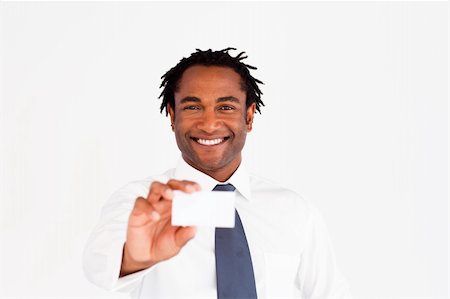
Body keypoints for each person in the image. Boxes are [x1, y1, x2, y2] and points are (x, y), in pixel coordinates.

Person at [83, 48, 350, 298]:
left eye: (225, 107)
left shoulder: (294, 210)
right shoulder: (143, 203)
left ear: (249, 116)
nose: (209, 124)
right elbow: (99, 266)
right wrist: (134, 258)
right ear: (172, 116)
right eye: (193, 107)